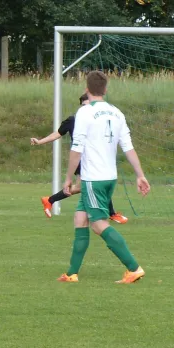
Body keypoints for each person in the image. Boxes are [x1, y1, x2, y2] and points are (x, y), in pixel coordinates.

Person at [57, 70, 150, 283]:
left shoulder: (85, 113)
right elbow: (128, 147)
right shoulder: (117, 113)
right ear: (105, 90)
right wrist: (140, 175)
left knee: (98, 224)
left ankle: (133, 268)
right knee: (80, 218)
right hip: (109, 178)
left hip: (93, 179)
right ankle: (71, 273)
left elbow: (76, 148)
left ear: (87, 90)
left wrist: (68, 178)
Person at [31, 94, 128, 224]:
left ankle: (49, 200)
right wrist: (40, 141)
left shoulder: (99, 120)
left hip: (95, 158)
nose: (86, 107)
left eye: (88, 104)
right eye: (83, 105)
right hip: (81, 159)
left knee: (82, 187)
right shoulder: (73, 120)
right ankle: (112, 214)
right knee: (98, 182)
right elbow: (58, 133)